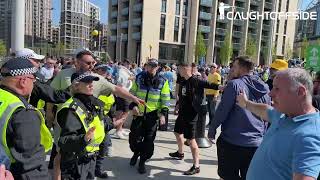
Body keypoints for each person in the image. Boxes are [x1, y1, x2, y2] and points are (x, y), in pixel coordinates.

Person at [237, 68, 320, 180]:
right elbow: (266, 110)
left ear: (300, 92)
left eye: (277, 89)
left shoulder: (308, 136)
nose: (270, 93)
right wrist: (246, 104)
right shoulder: (284, 114)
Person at [208, 56, 271, 180]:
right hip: (255, 143)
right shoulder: (264, 87)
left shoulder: (234, 85)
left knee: (227, 175)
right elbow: (266, 113)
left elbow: (222, 111)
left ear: (242, 68)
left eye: (235, 67)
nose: (232, 69)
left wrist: (212, 129)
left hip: (233, 142)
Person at [0, 58, 53, 179]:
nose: (34, 83)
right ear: (23, 81)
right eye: (33, 79)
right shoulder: (23, 113)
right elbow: (31, 165)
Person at [169, 63, 220, 175]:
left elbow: (210, 84)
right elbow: (182, 96)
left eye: (179, 69)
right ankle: (180, 153)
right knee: (177, 132)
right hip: (182, 113)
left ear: (185, 69)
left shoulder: (195, 81)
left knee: (191, 140)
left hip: (191, 115)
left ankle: (196, 166)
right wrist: (177, 105)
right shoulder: (182, 81)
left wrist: (221, 87)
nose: (178, 71)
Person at [57, 72, 106, 180]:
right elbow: (64, 140)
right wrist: (83, 139)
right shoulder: (71, 109)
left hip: (90, 159)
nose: (91, 85)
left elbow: (99, 125)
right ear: (76, 85)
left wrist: (113, 123)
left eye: (91, 82)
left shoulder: (91, 103)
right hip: (76, 162)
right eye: (87, 82)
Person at [128, 59, 170, 174]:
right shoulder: (139, 77)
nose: (152, 68)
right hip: (139, 114)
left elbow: (165, 99)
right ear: (146, 66)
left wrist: (163, 115)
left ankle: (142, 161)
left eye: (154, 66)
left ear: (157, 67)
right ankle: (136, 153)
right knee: (134, 139)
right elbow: (132, 93)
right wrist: (132, 106)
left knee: (149, 141)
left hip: (152, 116)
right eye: (150, 65)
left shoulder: (163, 80)